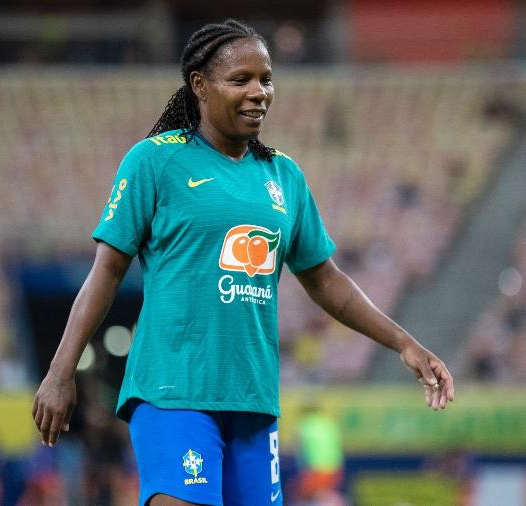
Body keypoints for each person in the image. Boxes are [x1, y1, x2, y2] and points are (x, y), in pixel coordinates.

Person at [33, 19, 454, 506]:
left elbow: (325, 280)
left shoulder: (283, 176)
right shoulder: (154, 161)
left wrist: (404, 344)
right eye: (241, 80)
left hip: (252, 399)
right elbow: (106, 273)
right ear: (200, 86)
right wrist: (60, 372)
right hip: (173, 393)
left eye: (266, 79)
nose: (259, 92)